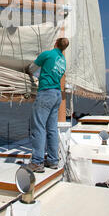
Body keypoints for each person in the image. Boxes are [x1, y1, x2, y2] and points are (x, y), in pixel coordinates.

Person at [26, 37, 69, 173]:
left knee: (38, 126)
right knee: (52, 129)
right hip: (57, 95)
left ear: (55, 43)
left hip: (46, 93)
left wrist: (26, 71)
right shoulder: (63, 61)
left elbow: (31, 69)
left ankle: (37, 162)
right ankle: (53, 160)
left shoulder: (47, 54)